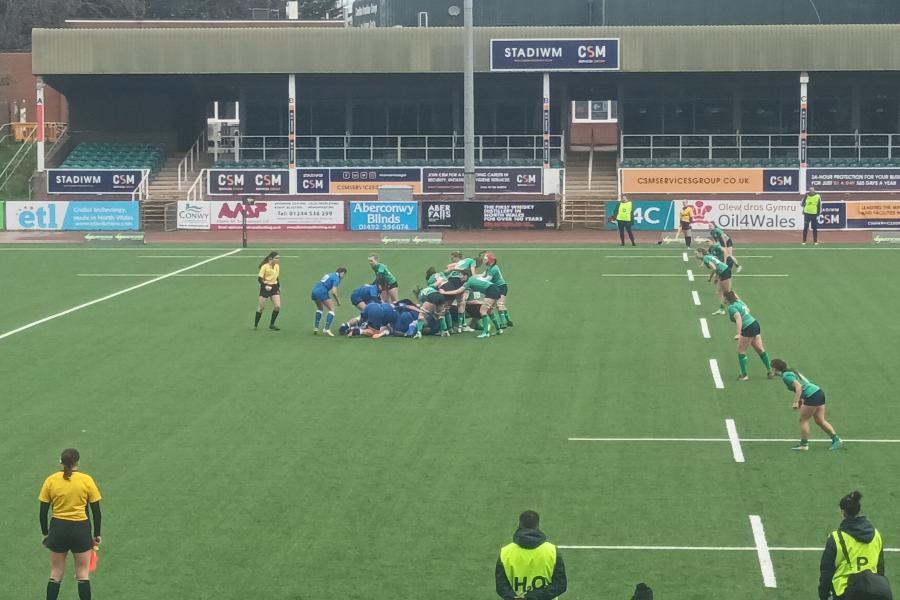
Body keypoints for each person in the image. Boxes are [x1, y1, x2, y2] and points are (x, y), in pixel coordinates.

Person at [39, 448, 102, 600]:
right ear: (77, 462)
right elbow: (96, 512)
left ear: (61, 461)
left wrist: (46, 533)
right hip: (80, 529)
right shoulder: (86, 480)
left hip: (58, 529)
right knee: (82, 573)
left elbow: (43, 512)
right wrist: (97, 535)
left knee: (56, 572)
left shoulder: (51, 480)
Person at [818, 491, 887, 600]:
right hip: (873, 590)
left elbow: (826, 571)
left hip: (845, 593)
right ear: (859, 511)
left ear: (843, 512)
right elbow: (880, 568)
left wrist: (823, 595)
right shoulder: (876, 535)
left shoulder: (836, 538)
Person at [771, 358, 842, 451]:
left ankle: (804, 445)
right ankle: (836, 440)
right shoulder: (790, 373)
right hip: (818, 392)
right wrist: (801, 400)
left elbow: (799, 387)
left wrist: (796, 402)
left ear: (776, 368)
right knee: (820, 420)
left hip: (812, 396)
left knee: (803, 420)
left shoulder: (786, 376)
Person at [496, 510, 567, 600]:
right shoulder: (552, 551)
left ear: (520, 524)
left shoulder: (505, 552)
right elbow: (560, 585)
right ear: (537, 525)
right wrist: (533, 597)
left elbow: (501, 586)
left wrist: (515, 598)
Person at [724, 291, 774, 381]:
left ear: (726, 299)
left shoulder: (732, 307)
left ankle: (744, 375)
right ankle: (770, 371)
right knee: (760, 349)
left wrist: (738, 334)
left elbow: (739, 319)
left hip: (747, 328)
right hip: (754, 324)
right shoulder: (740, 302)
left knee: (741, 351)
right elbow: (748, 310)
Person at [441, 272, 502, 339]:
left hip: (491, 290)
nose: (460, 276)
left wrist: (444, 292)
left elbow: (457, 291)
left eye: (461, 275)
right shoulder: (473, 278)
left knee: (483, 311)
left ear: (466, 276)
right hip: (496, 289)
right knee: (489, 311)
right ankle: (499, 329)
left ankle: (485, 333)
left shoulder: (468, 282)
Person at [446, 251, 478, 333]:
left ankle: (453, 325)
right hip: (459, 281)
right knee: (462, 303)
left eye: (452, 257)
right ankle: (462, 326)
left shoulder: (457, 264)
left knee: (451, 304)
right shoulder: (471, 261)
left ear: (457, 257)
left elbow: (448, 270)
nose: (451, 259)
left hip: (450, 281)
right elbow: (473, 273)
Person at [310, 268, 347, 336]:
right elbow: (333, 292)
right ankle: (326, 329)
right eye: (344, 275)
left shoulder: (330, 274)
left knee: (320, 308)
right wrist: (338, 301)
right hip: (322, 292)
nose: (343, 277)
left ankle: (316, 328)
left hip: (314, 291)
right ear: (342, 273)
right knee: (332, 309)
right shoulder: (337, 278)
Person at [696, 247, 732, 315]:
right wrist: (717, 276)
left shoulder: (706, 258)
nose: (696, 255)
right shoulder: (707, 257)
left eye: (697, 253)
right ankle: (722, 308)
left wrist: (711, 278)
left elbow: (714, 268)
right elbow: (716, 263)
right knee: (719, 291)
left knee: (728, 292)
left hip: (725, 271)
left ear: (701, 253)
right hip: (722, 272)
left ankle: (741, 306)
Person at [482, 252, 513, 328]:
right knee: (499, 305)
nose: (484, 261)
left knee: (499, 305)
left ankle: (503, 323)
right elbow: (483, 275)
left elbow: (487, 279)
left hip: (501, 287)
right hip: (495, 288)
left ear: (490, 260)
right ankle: (508, 320)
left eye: (485, 259)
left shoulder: (494, 268)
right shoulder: (489, 268)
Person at [254, 251, 282, 330]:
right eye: (276, 258)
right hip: (265, 287)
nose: (278, 260)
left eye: (278, 258)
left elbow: (277, 277)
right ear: (271, 259)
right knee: (261, 308)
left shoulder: (277, 266)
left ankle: (272, 324)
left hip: (274, 287)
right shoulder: (265, 267)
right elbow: (259, 279)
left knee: (277, 306)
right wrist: (265, 286)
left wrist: (278, 287)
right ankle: (256, 324)